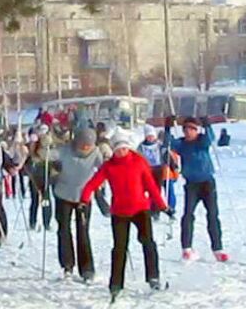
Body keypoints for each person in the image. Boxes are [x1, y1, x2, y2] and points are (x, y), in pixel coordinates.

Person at [80, 131, 172, 298]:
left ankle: (153, 276)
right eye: (118, 149)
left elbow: (151, 186)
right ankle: (116, 283)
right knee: (119, 248)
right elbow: (93, 183)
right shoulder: (109, 166)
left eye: (124, 148)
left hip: (140, 209)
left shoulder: (139, 162)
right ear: (113, 150)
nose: (121, 152)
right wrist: (84, 199)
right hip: (120, 212)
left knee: (148, 242)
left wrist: (162, 206)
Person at [165, 116, 228, 262]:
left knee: (212, 215)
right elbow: (168, 143)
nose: (188, 132)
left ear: (196, 130)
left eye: (192, 129)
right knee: (188, 215)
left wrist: (207, 125)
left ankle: (217, 248)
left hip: (207, 183)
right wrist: (167, 127)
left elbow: (210, 138)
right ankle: (187, 248)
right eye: (186, 129)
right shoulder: (181, 144)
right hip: (191, 184)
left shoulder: (201, 142)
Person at [52, 129, 101, 281]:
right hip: (63, 194)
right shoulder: (65, 150)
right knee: (64, 229)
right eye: (83, 145)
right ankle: (67, 265)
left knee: (83, 231)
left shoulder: (97, 153)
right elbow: (44, 157)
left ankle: (87, 269)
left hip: (84, 197)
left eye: (89, 145)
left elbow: (107, 167)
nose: (86, 148)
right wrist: (41, 147)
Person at [26, 133, 58, 231]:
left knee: (46, 201)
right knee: (35, 201)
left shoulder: (52, 153)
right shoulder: (34, 152)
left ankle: (46, 222)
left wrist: (54, 172)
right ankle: (32, 222)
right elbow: (27, 165)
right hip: (35, 180)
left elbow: (57, 166)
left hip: (46, 181)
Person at [137, 125, 164, 220]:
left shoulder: (159, 145)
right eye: (148, 136)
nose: (150, 138)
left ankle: (156, 210)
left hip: (158, 169)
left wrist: (173, 164)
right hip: (147, 169)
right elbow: (138, 157)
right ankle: (146, 208)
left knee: (157, 191)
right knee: (146, 190)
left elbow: (166, 154)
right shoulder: (141, 146)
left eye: (152, 136)